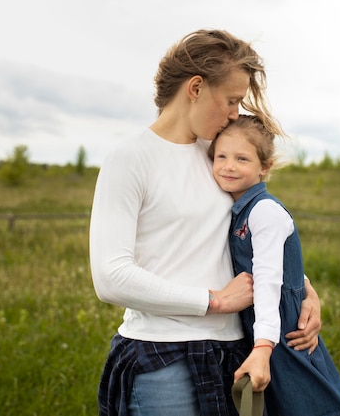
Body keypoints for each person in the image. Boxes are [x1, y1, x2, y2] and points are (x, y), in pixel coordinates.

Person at [89, 29, 323, 416]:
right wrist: (214, 301)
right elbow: (110, 277)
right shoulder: (130, 158)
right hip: (163, 358)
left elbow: (250, 234)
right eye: (231, 99)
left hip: (233, 351)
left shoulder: (220, 156)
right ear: (196, 87)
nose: (235, 113)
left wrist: (301, 289)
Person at [209, 114, 340, 415]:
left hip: (283, 333)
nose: (228, 166)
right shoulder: (237, 209)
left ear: (265, 167)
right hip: (260, 329)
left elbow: (268, 279)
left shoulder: (264, 211)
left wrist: (264, 346)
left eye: (242, 158)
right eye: (221, 156)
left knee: (308, 406)